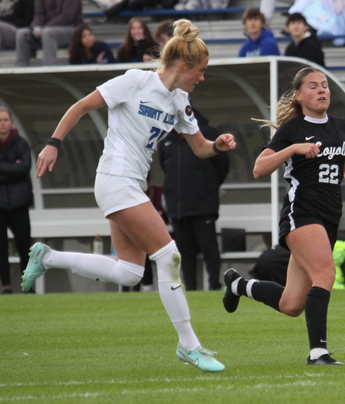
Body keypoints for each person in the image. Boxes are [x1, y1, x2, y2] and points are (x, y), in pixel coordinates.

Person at [23, 19, 237, 372]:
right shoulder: (134, 81)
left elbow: (200, 148)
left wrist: (219, 145)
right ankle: (190, 346)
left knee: (130, 273)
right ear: (182, 67)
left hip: (130, 185)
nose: (202, 78)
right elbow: (80, 106)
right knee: (169, 256)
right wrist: (52, 144)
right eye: (200, 71)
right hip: (114, 178)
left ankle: (48, 258)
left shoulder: (180, 102)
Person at [222, 67, 345, 366]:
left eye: (325, 86)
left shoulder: (341, 127)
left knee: (291, 304)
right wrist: (293, 148)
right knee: (325, 274)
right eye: (313, 87)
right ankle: (318, 353)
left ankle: (238, 285)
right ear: (300, 95)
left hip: (329, 219)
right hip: (301, 213)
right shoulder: (292, 129)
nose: (321, 91)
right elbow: (258, 168)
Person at [158, 109, 229, 291]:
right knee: (184, 252)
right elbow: (165, 168)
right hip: (177, 206)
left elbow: (222, 165)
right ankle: (190, 288)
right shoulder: (166, 138)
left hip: (203, 204)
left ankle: (214, 286)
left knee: (209, 249)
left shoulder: (207, 133)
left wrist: (208, 187)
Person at [0, 107, 33, 294]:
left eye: (5, 119)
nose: (2, 123)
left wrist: (5, 169)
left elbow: (24, 169)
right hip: (0, 205)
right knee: (1, 248)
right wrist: (13, 168)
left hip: (19, 203)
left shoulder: (21, 143)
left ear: (11, 122)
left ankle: (27, 285)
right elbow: (18, 171)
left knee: (24, 246)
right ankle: (6, 286)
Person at [14, 0, 82, 67]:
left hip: (72, 29)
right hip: (47, 29)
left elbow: (67, 17)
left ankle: (48, 67)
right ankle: (20, 66)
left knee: (48, 33)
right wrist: (35, 28)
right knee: (21, 33)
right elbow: (39, 15)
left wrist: (44, 28)